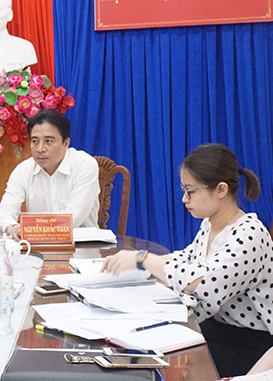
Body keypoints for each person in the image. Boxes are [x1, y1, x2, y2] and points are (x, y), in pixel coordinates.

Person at [103, 143, 273, 378]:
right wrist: (139, 267)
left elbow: (206, 284)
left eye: (190, 191)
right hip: (216, 328)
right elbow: (186, 259)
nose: (184, 199)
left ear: (221, 190)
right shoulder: (211, 224)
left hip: (250, 345)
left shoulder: (250, 234)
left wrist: (143, 259)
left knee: (168, 365)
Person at [0, 109, 100, 238]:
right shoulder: (23, 170)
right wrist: (13, 228)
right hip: (36, 246)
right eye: (35, 141)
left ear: (66, 143)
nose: (40, 149)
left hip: (83, 246)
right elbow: (3, 213)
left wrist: (30, 229)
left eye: (48, 141)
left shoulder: (84, 165)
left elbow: (73, 218)